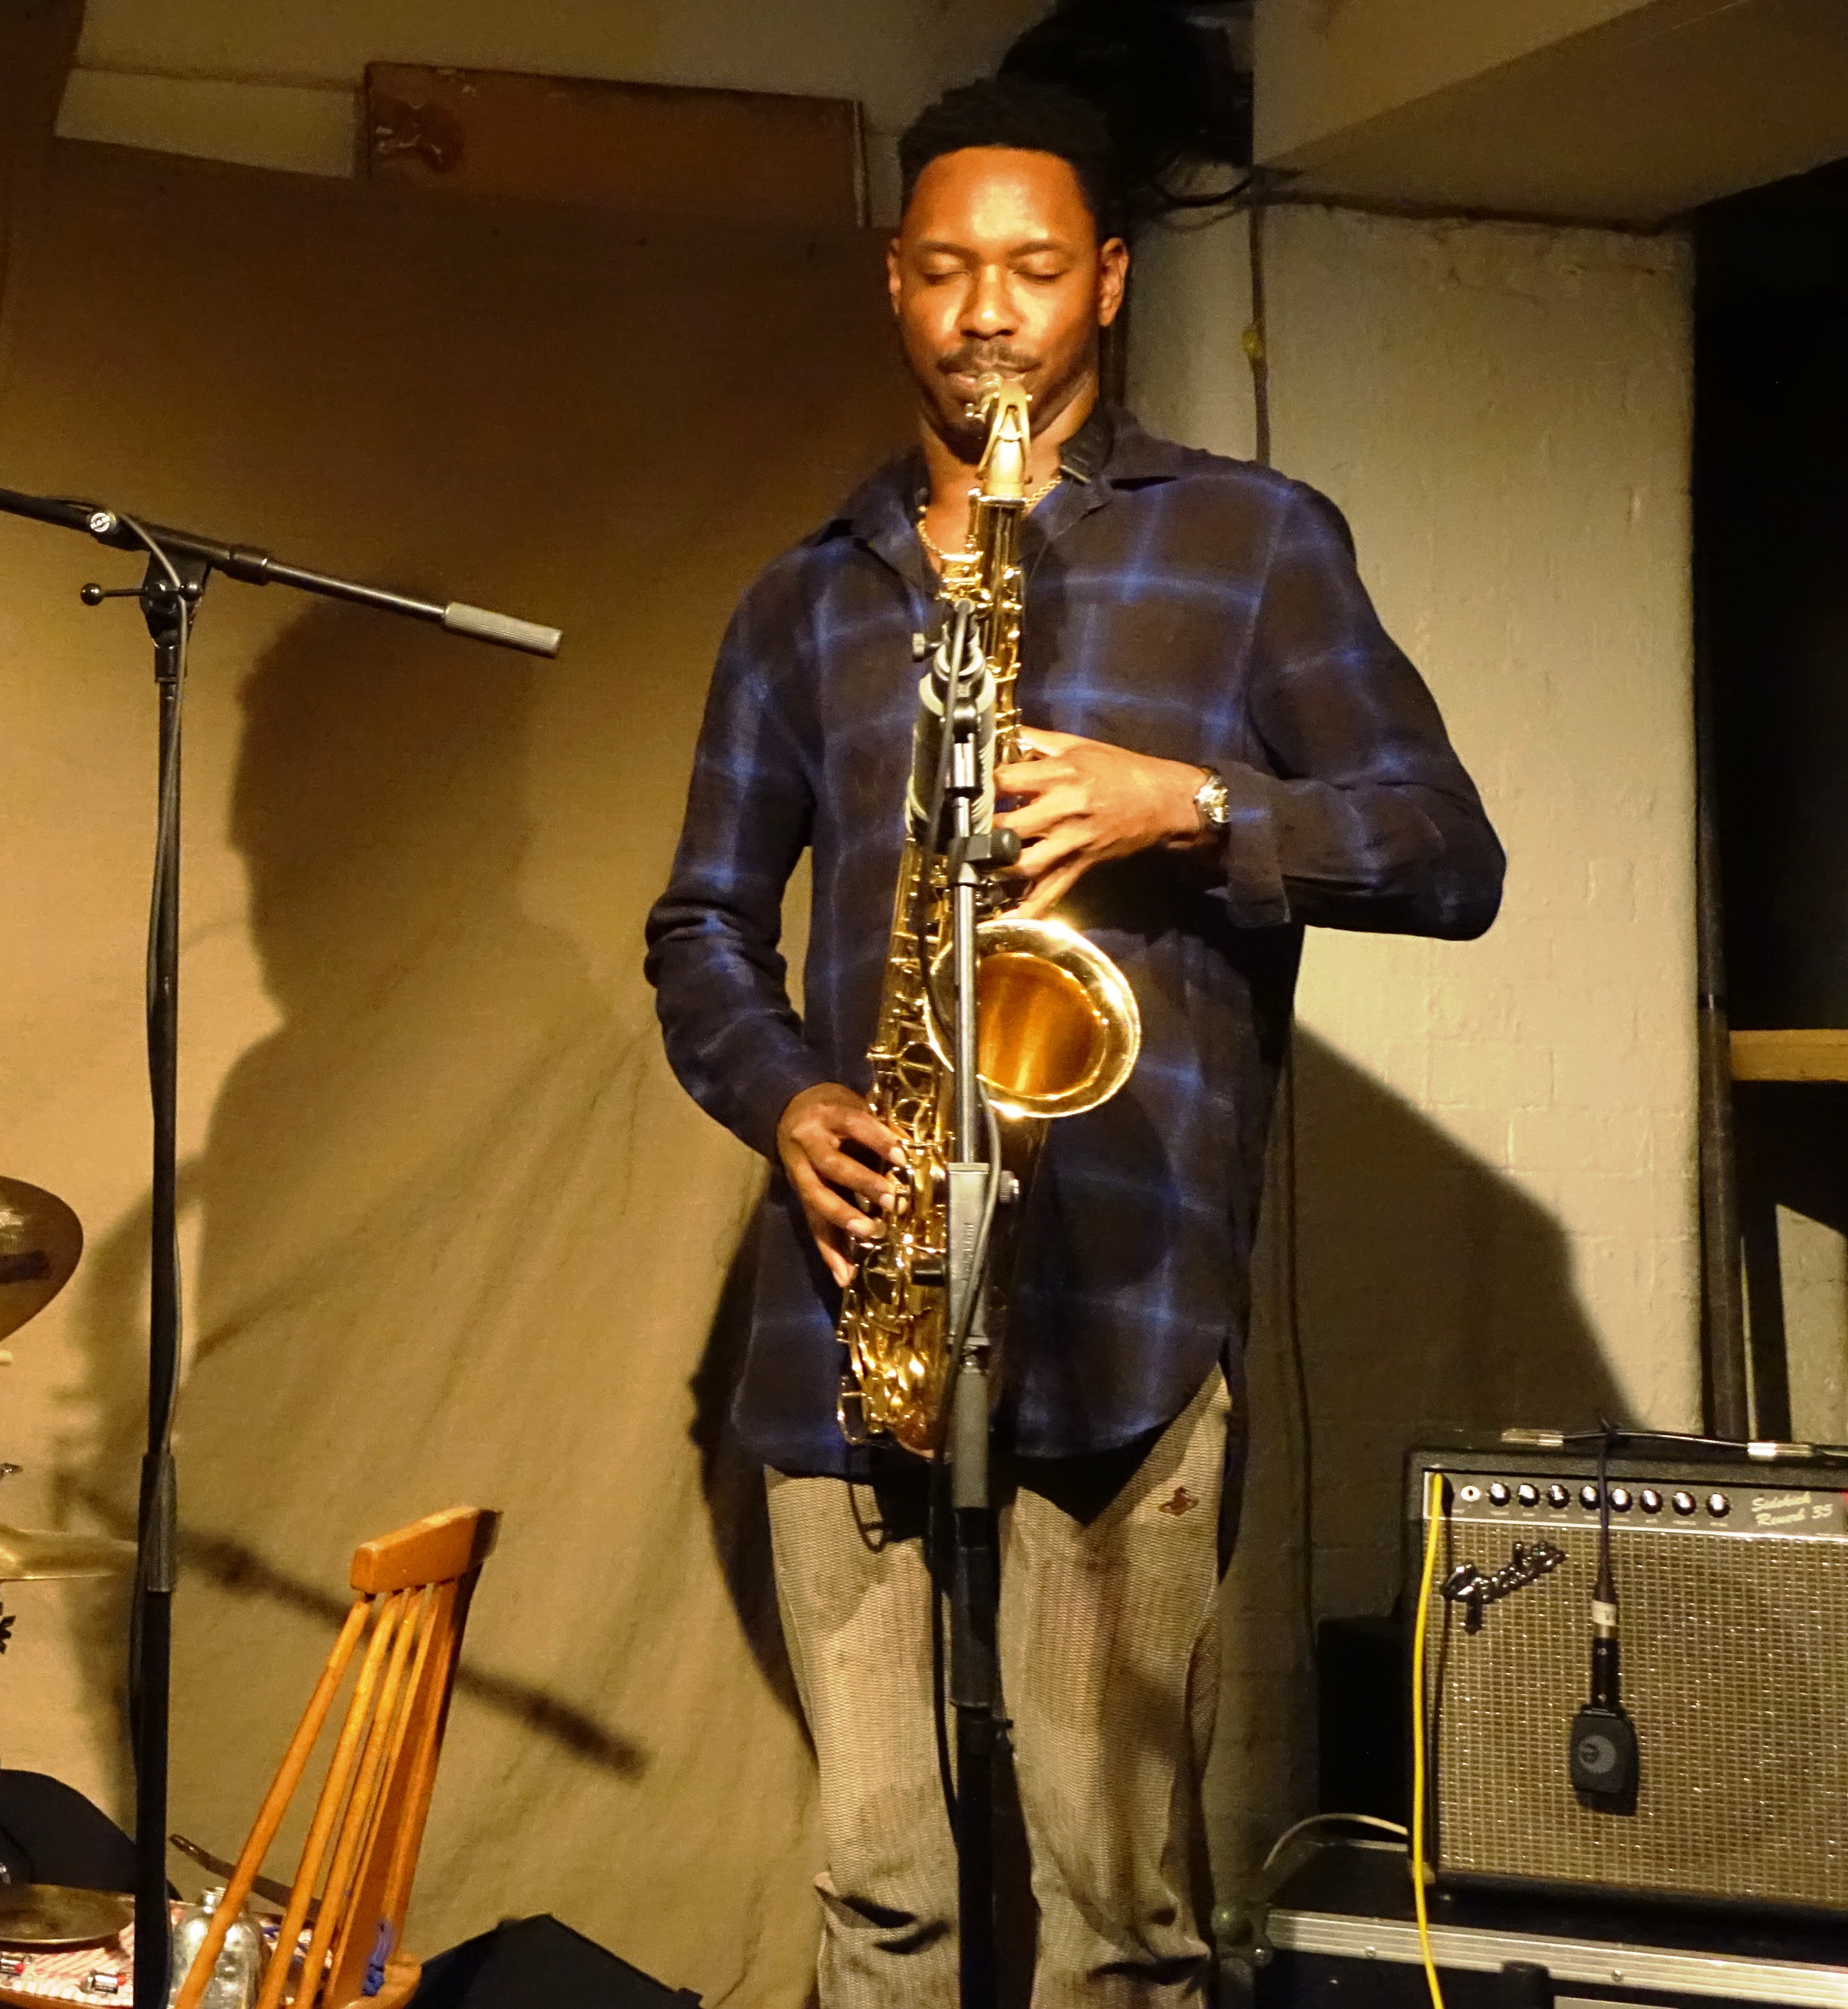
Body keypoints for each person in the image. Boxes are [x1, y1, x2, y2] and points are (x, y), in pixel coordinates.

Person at [643, 79, 1504, 2005]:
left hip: (1125, 1300)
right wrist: (784, 1096)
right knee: (878, 1899)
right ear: (893, 283)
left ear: (1107, 284)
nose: (988, 313)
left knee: (1121, 1921)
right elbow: (701, 926)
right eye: (946, 269)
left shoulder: (1253, 545)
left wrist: (1186, 801)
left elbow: (1449, 853)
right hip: (852, 1302)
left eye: (1035, 269)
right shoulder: (802, 599)